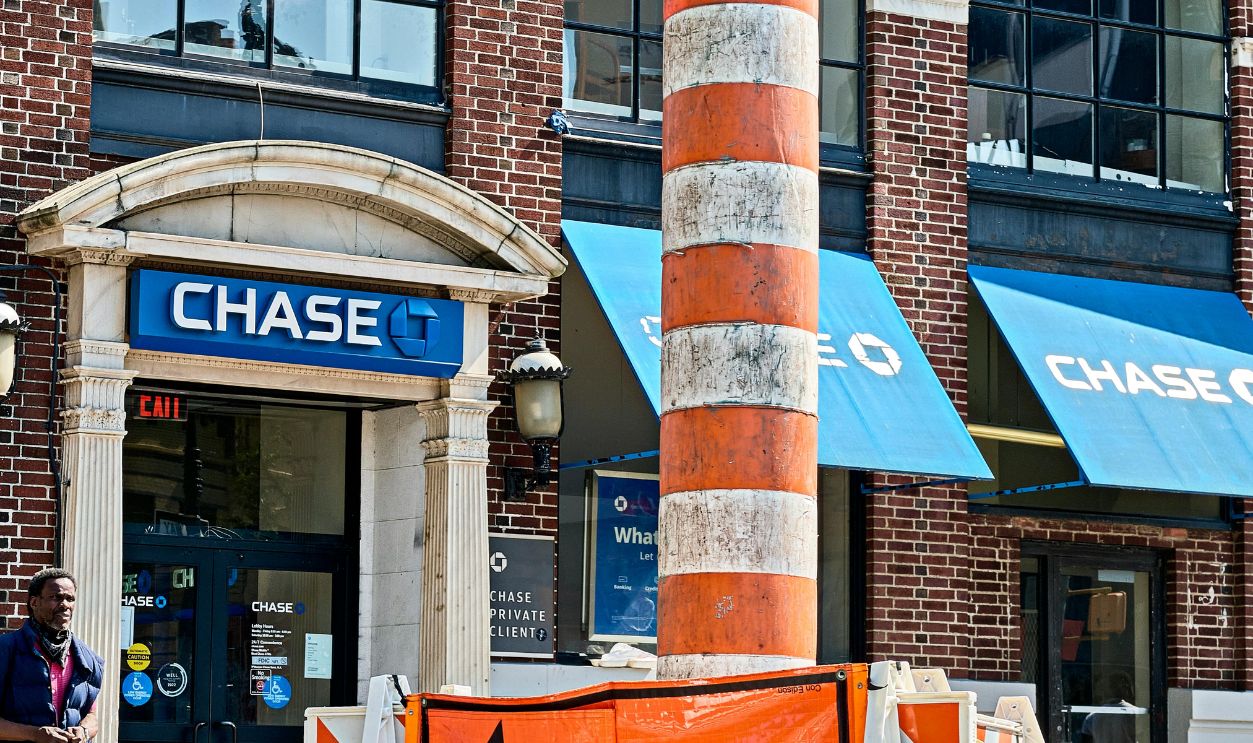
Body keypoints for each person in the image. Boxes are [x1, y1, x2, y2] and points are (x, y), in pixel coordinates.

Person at [0, 569, 103, 742]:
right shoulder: (6, 649)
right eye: (56, 597)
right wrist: (36, 734)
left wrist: (84, 731)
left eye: (70, 599)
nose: (65, 605)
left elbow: (92, 716)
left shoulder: (87, 658)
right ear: (34, 602)